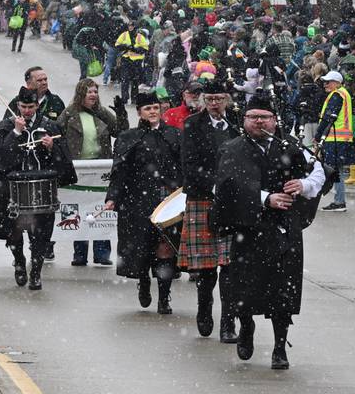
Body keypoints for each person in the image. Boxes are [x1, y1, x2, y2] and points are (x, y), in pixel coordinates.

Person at [213, 92, 326, 370]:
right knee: (245, 287)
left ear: (274, 120)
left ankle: (279, 347)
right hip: (248, 229)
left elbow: (319, 171)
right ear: (244, 120)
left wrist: (303, 185)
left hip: (284, 230)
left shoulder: (290, 145)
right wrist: (265, 199)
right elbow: (228, 187)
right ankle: (246, 326)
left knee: (283, 291)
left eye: (265, 117)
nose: (259, 122)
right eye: (253, 117)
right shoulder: (232, 149)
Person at [0, 87, 77, 290]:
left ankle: (36, 272)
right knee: (14, 231)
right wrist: (16, 133)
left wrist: (52, 147)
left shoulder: (49, 126)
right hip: (14, 189)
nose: (27, 111)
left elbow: (64, 160)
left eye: (31, 107)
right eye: (23, 106)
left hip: (41, 189)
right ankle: (19, 261)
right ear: (18, 105)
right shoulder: (6, 126)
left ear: (37, 106)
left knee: (41, 234)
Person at [105, 90, 183, 314]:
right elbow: (119, 171)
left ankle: (164, 298)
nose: (153, 112)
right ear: (139, 112)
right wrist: (112, 197)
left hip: (168, 203)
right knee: (142, 249)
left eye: (155, 108)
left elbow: (184, 167)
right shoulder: (128, 137)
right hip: (137, 202)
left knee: (166, 249)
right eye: (148, 108)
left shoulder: (175, 135)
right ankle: (144, 282)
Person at [180, 79, 240, 341]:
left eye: (219, 99)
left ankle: (228, 323)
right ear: (203, 100)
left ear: (227, 99)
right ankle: (204, 308)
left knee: (230, 266)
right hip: (203, 198)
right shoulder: (192, 125)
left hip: (233, 202)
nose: (215, 104)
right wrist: (216, 185)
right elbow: (189, 165)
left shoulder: (236, 124)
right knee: (206, 268)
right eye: (210, 99)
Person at [59, 78, 125, 266]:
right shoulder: (69, 113)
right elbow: (57, 135)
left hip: (100, 168)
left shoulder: (102, 113)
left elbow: (121, 132)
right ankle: (79, 253)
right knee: (78, 209)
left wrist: (121, 114)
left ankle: (102, 253)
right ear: (81, 93)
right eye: (90, 91)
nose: (94, 95)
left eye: (96, 91)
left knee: (100, 208)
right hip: (78, 168)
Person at [315, 70, 355, 212]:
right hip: (340, 138)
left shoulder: (337, 95)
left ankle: (338, 201)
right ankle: (339, 200)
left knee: (333, 171)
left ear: (337, 83)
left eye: (328, 82)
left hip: (335, 138)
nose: (325, 85)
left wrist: (318, 135)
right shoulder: (343, 93)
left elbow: (328, 118)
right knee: (336, 170)